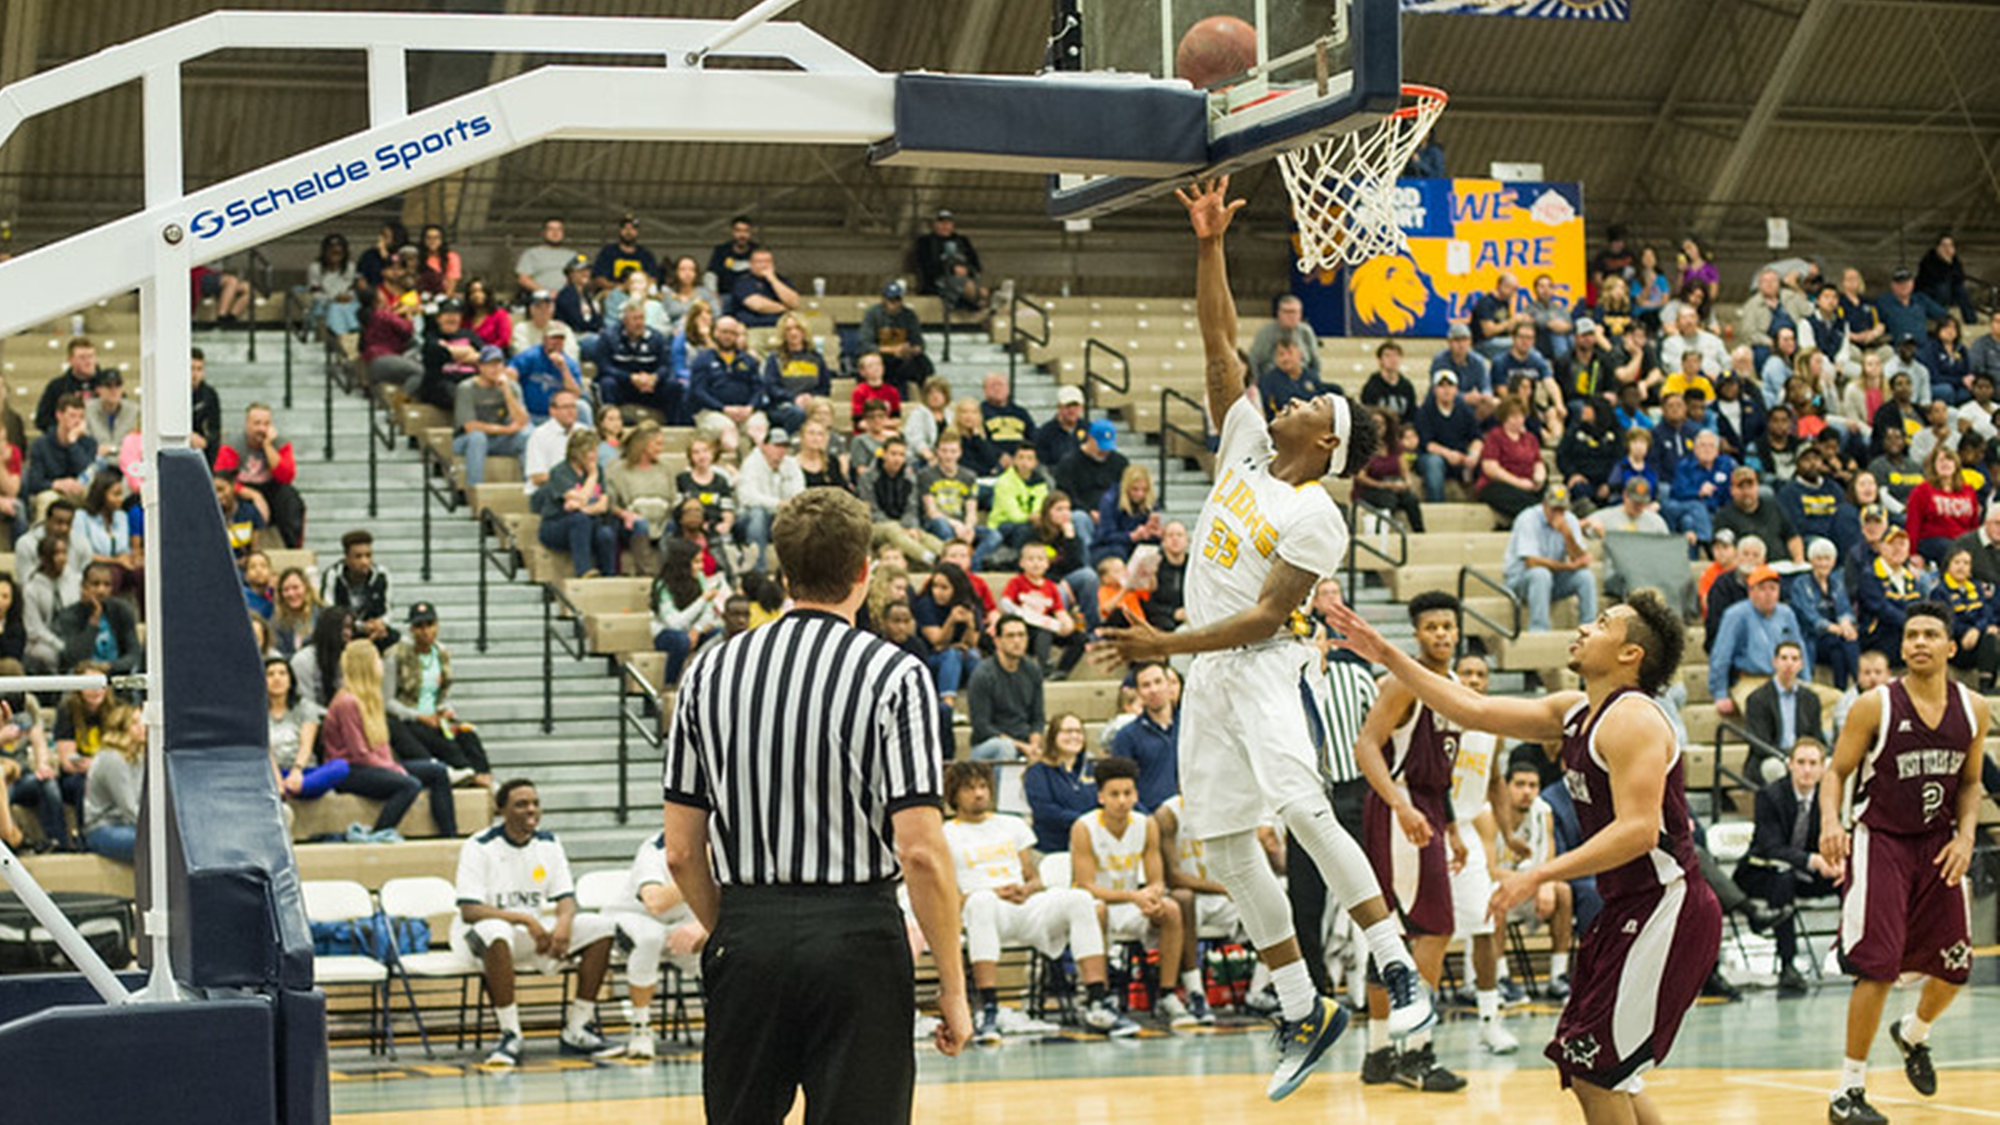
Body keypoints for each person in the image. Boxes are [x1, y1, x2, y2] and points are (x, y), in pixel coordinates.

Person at [1096, 178, 1432, 1102]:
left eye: (1313, 403)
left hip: (1257, 665)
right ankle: (1301, 1001)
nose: (1293, 399)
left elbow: (1265, 616)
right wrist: (1207, 244)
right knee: (1223, 837)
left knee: (1301, 805)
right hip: (1209, 677)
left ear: (1327, 442)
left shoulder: (1317, 512)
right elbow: (1216, 349)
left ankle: (1398, 968)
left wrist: (1165, 645)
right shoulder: (1246, 445)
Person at [1325, 589, 1721, 1125]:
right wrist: (1389, 655)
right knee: (1607, 1071)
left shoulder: (1634, 719)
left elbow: (1639, 832)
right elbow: (1475, 708)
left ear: (1630, 654)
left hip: (1666, 909)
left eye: (1602, 623)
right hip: (1629, 908)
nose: (1584, 627)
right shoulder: (1577, 711)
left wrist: (1538, 873)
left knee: (1595, 1069)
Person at [662, 486, 969, 1120]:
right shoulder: (896, 674)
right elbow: (920, 851)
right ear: (865, 571)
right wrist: (953, 987)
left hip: (748, 930)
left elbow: (681, 850)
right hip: (858, 937)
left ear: (783, 573)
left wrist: (738, 934)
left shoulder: (707, 672)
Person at [1820, 601, 1985, 1125]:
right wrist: (1830, 822)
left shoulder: (1974, 707)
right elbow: (1835, 771)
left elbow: (1973, 782)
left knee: (1956, 965)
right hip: (1882, 841)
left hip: (1937, 842)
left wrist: (1965, 836)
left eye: (1930, 635)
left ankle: (1913, 1034)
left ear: (1950, 647)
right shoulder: (1875, 705)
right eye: (1911, 634)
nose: (1917, 642)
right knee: (1878, 967)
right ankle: (1848, 1091)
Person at [1351, 589, 1479, 1092]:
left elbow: (1436, 764)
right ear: (1417, 633)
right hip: (1399, 806)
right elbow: (1366, 745)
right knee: (1432, 929)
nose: (1442, 635)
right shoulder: (1404, 682)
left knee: (1394, 935)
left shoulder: (1446, 684)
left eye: (1449, 626)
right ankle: (1415, 1052)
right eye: (1433, 628)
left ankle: (1380, 1053)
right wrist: (1401, 806)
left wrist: (1449, 826)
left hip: (1424, 807)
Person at [943, 759, 1133, 1040]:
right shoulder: (946, 834)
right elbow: (948, 893)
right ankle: (990, 1008)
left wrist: (1029, 888)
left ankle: (1097, 1001)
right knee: (981, 902)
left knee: (1080, 898)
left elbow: (1032, 876)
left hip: (1024, 905)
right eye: (970, 788)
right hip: (983, 910)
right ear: (954, 794)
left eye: (983, 786)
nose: (979, 793)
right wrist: (994, 893)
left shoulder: (1011, 824)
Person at [453, 779, 620, 1067]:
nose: (531, 809)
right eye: (521, 804)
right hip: (480, 937)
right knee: (497, 931)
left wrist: (564, 924)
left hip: (534, 932)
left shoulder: (549, 843)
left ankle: (577, 1029)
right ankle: (510, 1033)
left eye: (535, 803)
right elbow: (470, 910)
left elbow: (566, 898)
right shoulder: (479, 845)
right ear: (502, 810)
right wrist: (526, 919)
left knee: (601, 927)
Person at [1068, 756, 1205, 1027]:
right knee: (1097, 909)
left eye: (1128, 793)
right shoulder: (1084, 827)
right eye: (1114, 794)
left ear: (1136, 795)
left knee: (1171, 909)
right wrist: (1136, 896)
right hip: (1096, 905)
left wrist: (1152, 896)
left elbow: (1156, 879)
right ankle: (1099, 997)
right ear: (1101, 797)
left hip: (1132, 904)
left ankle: (1167, 994)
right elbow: (1086, 885)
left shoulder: (1146, 824)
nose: (1122, 800)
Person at [319, 639, 457, 840]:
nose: (381, 665)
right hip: (349, 770)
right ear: (366, 665)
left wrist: (392, 766)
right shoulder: (347, 702)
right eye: (377, 660)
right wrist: (393, 769)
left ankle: (449, 837)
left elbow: (380, 745)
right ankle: (377, 835)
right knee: (409, 785)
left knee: (438, 772)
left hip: (372, 765)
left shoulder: (371, 698)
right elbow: (359, 753)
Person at [1733, 738, 1839, 998]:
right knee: (1784, 875)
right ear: (1789, 765)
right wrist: (1814, 861)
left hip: (1806, 875)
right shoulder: (1769, 796)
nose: (1806, 769)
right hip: (1762, 872)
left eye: (1813, 763)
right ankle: (1787, 964)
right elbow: (1771, 848)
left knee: (1850, 879)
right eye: (1801, 762)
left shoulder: (1829, 797)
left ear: (1823, 768)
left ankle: (1857, 954)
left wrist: (1839, 862)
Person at [602, 832, 704, 1061]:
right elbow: (655, 902)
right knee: (650, 938)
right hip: (635, 917)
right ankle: (641, 1028)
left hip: (681, 924)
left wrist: (702, 928)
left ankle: (729, 1025)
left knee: (723, 944)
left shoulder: (724, 846)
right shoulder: (654, 848)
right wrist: (699, 869)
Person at [382, 601, 491, 788]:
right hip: (410, 718)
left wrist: (445, 710)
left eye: (429, 625)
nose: (425, 631)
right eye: (419, 626)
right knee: (438, 739)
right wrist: (419, 716)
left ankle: (485, 779)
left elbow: (442, 695)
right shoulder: (395, 655)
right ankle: (465, 772)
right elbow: (387, 701)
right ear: (411, 629)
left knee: (468, 734)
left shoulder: (441, 653)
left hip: (435, 716)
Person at [1711, 566, 1812, 716]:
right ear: (1751, 592)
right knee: (1760, 707)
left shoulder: (1786, 613)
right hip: (1751, 680)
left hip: (1786, 677)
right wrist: (1720, 694)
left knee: (1830, 699)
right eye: (1762, 589)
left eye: (1773, 588)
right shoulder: (1735, 615)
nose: (1768, 594)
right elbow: (1721, 654)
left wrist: (1806, 682)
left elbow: (1799, 647)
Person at [1503, 485, 1598, 632]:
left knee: (1585, 577)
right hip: (1521, 580)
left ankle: (1589, 628)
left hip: (1553, 580)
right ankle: (1539, 630)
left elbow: (1578, 558)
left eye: (1562, 509)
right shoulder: (1528, 518)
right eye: (1554, 509)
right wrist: (1568, 567)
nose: (1558, 514)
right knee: (1540, 574)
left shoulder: (1569, 520)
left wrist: (1567, 535)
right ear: (1544, 505)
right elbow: (1531, 562)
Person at [532, 430, 618, 579]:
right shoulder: (560, 472)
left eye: (595, 451)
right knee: (579, 520)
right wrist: (592, 477)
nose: (594, 456)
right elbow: (583, 498)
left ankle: (608, 576)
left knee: (606, 534)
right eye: (590, 451)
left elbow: (603, 505)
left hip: (589, 522)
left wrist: (583, 508)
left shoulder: (599, 469)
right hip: (556, 525)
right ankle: (583, 570)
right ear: (577, 452)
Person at [965, 615, 1045, 762]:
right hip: (988, 746)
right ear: (997, 641)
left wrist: (1034, 745)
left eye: (1021, 635)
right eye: (1010, 636)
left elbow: (1037, 718)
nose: (1017, 641)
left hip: (1025, 742)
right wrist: (1021, 746)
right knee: (1005, 747)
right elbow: (982, 726)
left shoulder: (1033, 670)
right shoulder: (983, 674)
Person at [1790, 538, 1862, 690]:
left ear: (1834, 561)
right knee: (1839, 642)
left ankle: (1844, 689)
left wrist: (1846, 624)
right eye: (1819, 559)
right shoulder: (1801, 583)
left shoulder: (1837, 581)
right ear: (1811, 561)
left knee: (1841, 647)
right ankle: (1860, 684)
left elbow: (1844, 608)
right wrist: (1834, 628)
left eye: (1827, 559)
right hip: (1813, 636)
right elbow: (1808, 616)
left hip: (1835, 638)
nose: (1823, 563)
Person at [1108, 661, 1178, 813]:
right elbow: (1121, 786)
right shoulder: (1126, 736)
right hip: (1150, 819)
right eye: (1146, 685)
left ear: (1169, 685)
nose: (1153, 690)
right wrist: (1148, 819)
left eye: (1158, 682)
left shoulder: (1190, 727)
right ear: (1138, 692)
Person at [52, 562, 138, 675]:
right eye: (95, 584)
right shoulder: (68, 616)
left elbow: (133, 654)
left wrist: (109, 666)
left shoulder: (122, 611)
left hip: (115, 674)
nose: (101, 590)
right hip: (82, 680)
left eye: (107, 585)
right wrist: (93, 621)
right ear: (83, 586)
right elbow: (73, 658)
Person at [81, 706, 141, 862]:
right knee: (153, 844)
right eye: (135, 723)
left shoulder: (138, 757)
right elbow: (130, 810)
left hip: (127, 825)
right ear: (122, 729)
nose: (143, 726)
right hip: (103, 828)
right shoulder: (112, 759)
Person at [1413, 370, 1484, 502]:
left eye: (1450, 386)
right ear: (1434, 390)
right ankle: (1437, 507)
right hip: (1434, 455)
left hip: (1460, 456)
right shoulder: (1425, 411)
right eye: (1441, 386)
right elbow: (1427, 444)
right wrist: (1448, 454)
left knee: (1485, 460)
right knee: (1434, 463)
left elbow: (1476, 437)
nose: (1446, 390)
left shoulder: (1464, 411)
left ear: (1456, 389)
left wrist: (1473, 454)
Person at [320, 530, 396, 649]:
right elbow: (328, 612)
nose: (364, 562)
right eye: (358, 557)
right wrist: (359, 626)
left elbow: (388, 611)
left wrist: (379, 625)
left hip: (373, 632)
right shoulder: (333, 575)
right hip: (343, 631)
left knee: (395, 640)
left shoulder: (382, 575)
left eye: (368, 555)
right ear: (346, 558)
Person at [1938, 546, 2000, 688]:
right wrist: (1968, 631)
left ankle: (1988, 684)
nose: (1962, 567)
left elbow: (1987, 614)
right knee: (1989, 637)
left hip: (1978, 638)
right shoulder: (1940, 591)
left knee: (1991, 636)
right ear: (1948, 565)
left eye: (1966, 563)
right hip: (1957, 643)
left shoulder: (1976, 588)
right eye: (1957, 562)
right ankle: (1985, 686)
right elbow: (1947, 620)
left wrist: (1976, 630)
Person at [860, 280, 934, 395]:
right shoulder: (873, 314)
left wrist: (911, 349)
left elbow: (918, 342)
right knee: (871, 364)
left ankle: (927, 395)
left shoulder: (909, 315)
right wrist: (892, 350)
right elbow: (865, 344)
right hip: (882, 356)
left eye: (897, 300)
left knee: (924, 365)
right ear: (884, 300)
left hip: (903, 359)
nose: (894, 304)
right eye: (891, 300)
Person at [914, 209, 987, 311]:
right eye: (941, 223)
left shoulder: (962, 241)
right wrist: (952, 269)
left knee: (978, 288)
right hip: (939, 280)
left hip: (964, 278)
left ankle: (976, 299)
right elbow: (926, 266)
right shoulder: (926, 242)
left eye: (948, 223)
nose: (945, 226)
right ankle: (976, 299)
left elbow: (976, 264)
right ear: (934, 225)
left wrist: (966, 270)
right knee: (971, 289)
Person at [1249, 294, 1323, 383]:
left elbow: (1315, 361)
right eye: (1286, 312)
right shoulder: (1266, 332)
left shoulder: (1306, 332)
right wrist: (1257, 382)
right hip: (1273, 379)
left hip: (1301, 378)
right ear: (1278, 313)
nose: (1290, 316)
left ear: (1300, 315)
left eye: (1293, 312)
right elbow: (1254, 359)